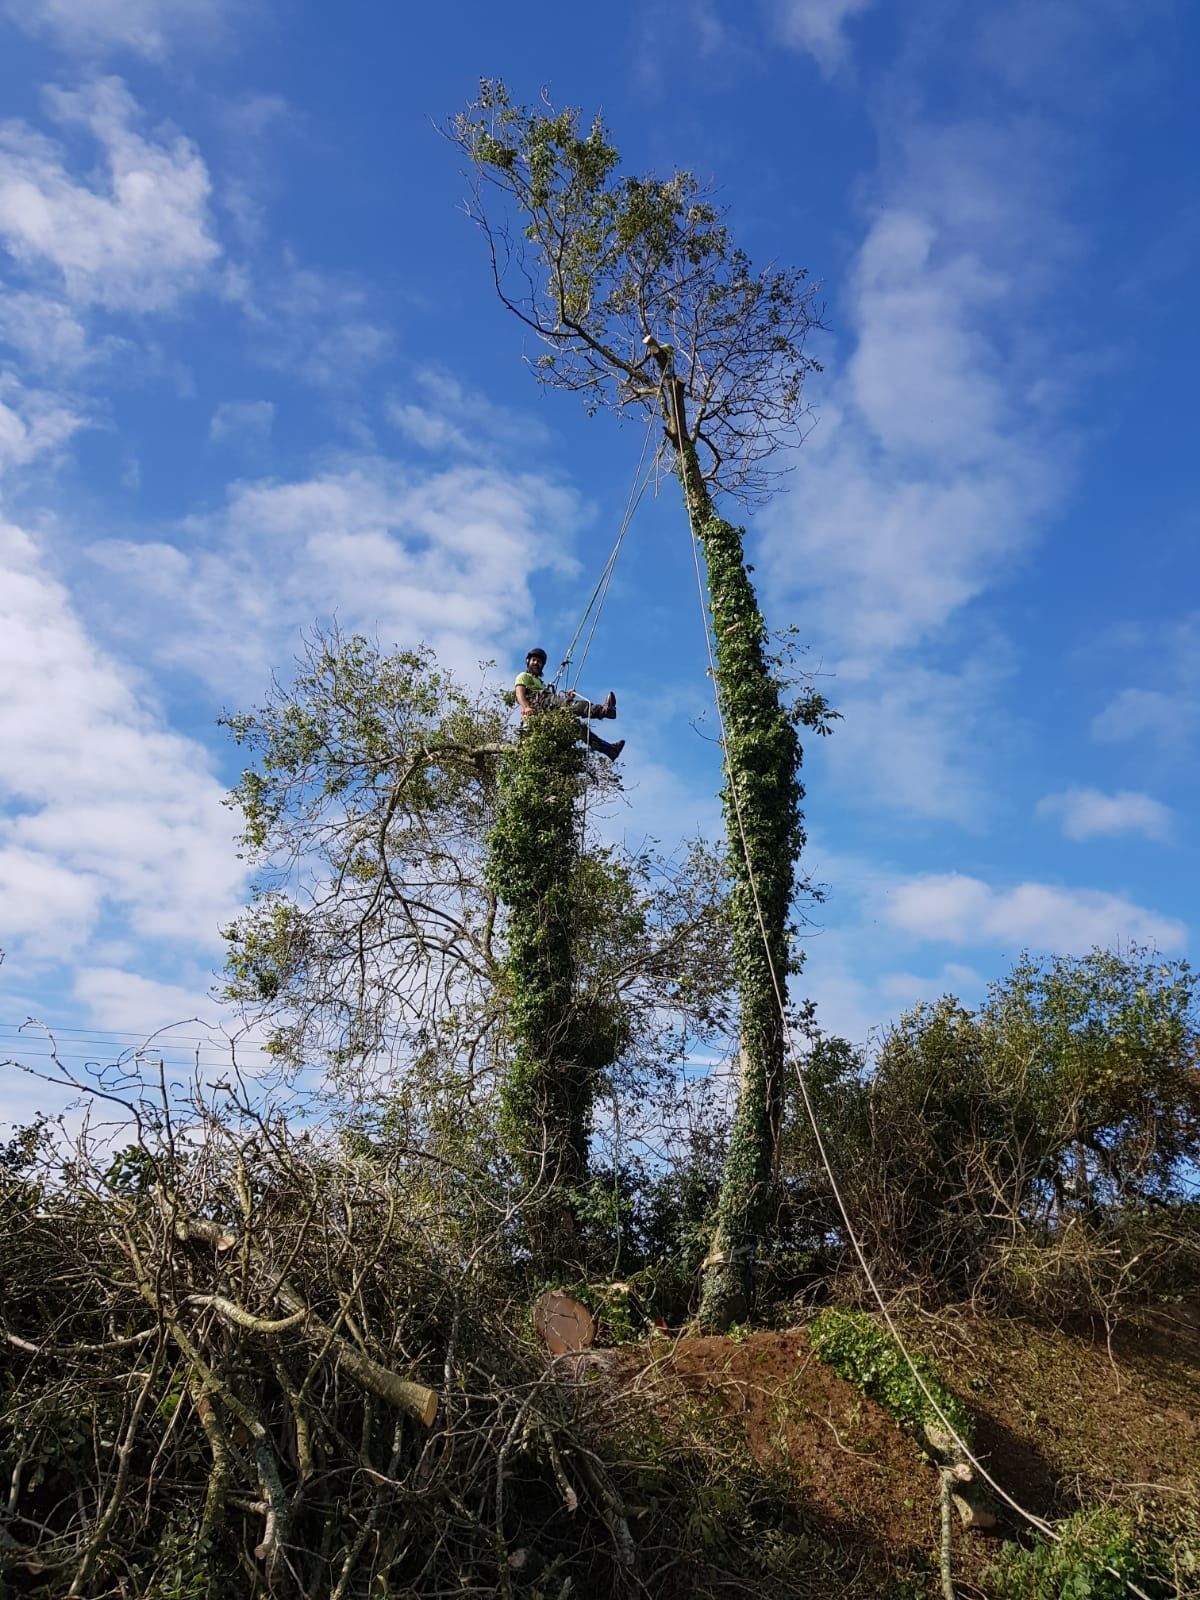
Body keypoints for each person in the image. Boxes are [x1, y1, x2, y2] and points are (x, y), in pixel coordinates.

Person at [514, 647, 625, 761]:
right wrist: (526, 707)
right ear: (528, 661)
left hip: (546, 710)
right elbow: (519, 693)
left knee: (577, 727)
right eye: (534, 660)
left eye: (539, 661)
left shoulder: (541, 683)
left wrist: (566, 697)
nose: (536, 663)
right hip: (541, 704)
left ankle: (610, 750)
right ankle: (603, 711)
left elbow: (553, 702)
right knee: (569, 705)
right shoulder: (523, 676)